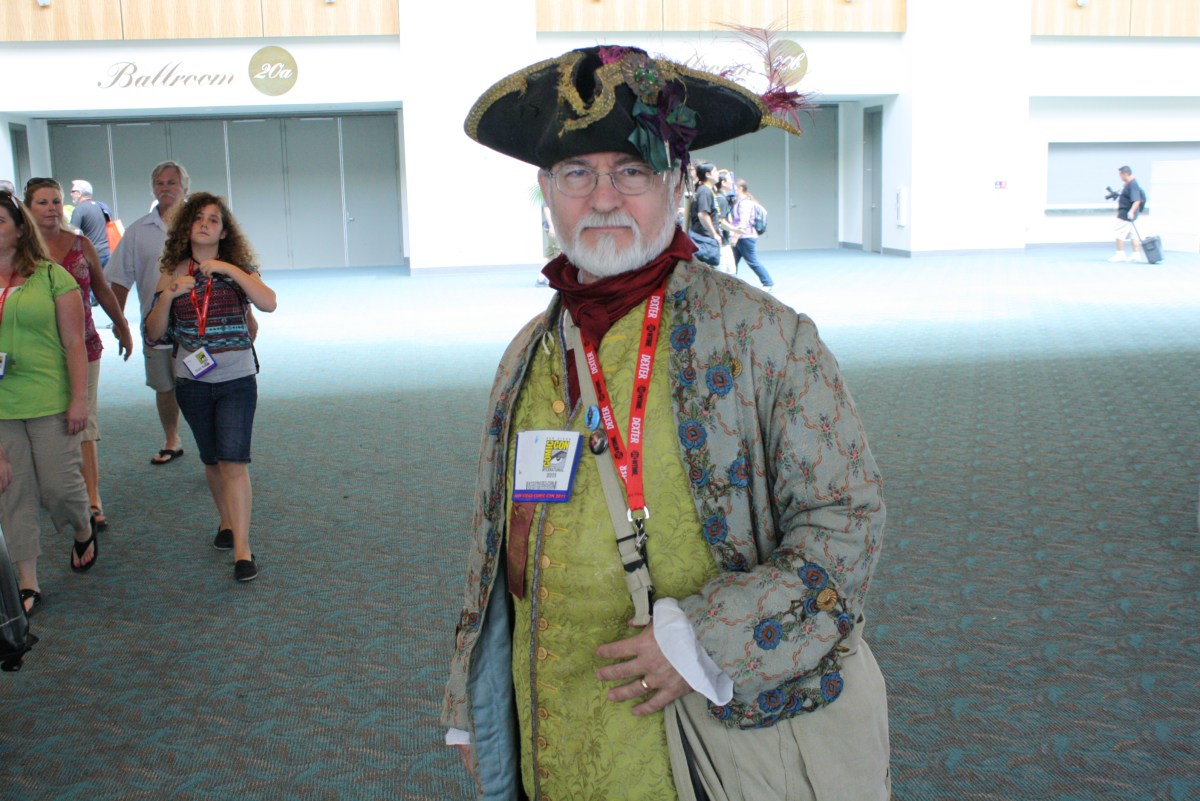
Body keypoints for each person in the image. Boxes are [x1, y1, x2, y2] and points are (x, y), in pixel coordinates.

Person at [444, 46, 890, 801]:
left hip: (704, 736)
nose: (603, 198)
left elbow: (847, 522)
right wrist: (479, 704)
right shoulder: (527, 352)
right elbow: (497, 541)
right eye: (576, 174)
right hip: (554, 722)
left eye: (632, 171)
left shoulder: (766, 337)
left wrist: (702, 640)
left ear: (677, 185)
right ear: (547, 192)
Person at [143, 192, 277, 582]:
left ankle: (242, 550)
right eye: (198, 218)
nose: (204, 224)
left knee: (234, 461)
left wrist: (227, 268)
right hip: (193, 381)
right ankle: (226, 520)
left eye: (213, 219)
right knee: (213, 460)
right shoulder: (171, 272)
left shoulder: (239, 268)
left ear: (224, 231)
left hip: (236, 378)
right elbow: (154, 333)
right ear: (186, 228)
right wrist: (169, 296)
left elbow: (268, 303)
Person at [0, 189, 95, 617]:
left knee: (59, 487)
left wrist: (79, 400)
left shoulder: (52, 276)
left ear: (20, 229)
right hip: (3, 408)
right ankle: (28, 579)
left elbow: (75, 342)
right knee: (11, 490)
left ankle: (82, 525)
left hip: (50, 400)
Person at [24, 178, 134, 533]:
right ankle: (53, 489)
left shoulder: (80, 244)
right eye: (42, 202)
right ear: (27, 208)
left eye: (56, 201)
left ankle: (92, 499)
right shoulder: (20, 250)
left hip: (83, 345)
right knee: (46, 421)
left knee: (84, 420)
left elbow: (101, 288)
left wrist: (122, 325)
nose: (51, 208)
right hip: (36, 351)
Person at [108, 161, 191, 465]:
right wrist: (119, 323)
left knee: (202, 383)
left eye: (172, 182)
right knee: (164, 386)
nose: (165, 188)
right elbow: (119, 280)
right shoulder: (137, 231)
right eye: (159, 183)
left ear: (185, 188)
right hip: (157, 325)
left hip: (198, 326)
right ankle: (172, 439)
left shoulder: (200, 225)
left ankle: (213, 440)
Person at [727, 178, 775, 290]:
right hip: (741, 236)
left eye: (733, 187)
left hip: (746, 237)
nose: (731, 189)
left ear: (740, 188)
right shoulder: (738, 202)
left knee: (752, 261)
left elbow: (743, 222)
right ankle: (731, 283)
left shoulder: (745, 203)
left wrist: (735, 238)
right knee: (733, 261)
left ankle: (768, 283)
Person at [68, 179, 112, 269]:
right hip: (108, 252)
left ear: (79, 193)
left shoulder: (79, 209)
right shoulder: (100, 206)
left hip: (94, 255)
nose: (71, 194)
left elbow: (73, 234)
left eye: (73, 191)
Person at [687, 162, 723, 266]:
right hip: (704, 238)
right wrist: (714, 234)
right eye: (715, 171)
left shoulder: (707, 190)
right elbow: (702, 214)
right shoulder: (704, 191)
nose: (718, 173)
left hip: (706, 238)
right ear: (708, 174)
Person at [1110, 165, 1145, 263]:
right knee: (1134, 234)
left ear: (1126, 174)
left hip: (1126, 214)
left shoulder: (1132, 185)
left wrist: (1131, 211)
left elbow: (1137, 200)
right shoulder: (1129, 184)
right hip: (1131, 214)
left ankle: (1120, 254)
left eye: (1120, 175)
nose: (1120, 177)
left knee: (1119, 232)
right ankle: (1136, 254)